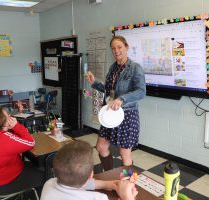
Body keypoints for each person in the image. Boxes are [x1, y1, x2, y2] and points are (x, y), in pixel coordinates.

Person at [86, 35, 146, 170]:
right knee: (101, 147)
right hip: (109, 113)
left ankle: (128, 183)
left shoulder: (135, 68)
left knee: (124, 153)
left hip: (127, 115)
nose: (116, 51)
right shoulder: (113, 68)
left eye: (119, 47)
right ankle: (109, 175)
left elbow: (141, 91)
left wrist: (122, 99)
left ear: (126, 47)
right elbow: (109, 91)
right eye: (113, 48)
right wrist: (94, 83)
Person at [0, 107, 44, 195]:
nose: (11, 116)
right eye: (8, 116)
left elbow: (11, 139)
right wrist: (16, 126)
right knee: (44, 175)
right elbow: (31, 142)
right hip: (5, 183)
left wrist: (11, 128)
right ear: (2, 123)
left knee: (34, 165)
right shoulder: (3, 138)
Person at [40, 140, 138, 200]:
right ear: (91, 175)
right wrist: (128, 197)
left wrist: (109, 184)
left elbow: (81, 184)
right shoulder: (98, 198)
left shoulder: (48, 183)